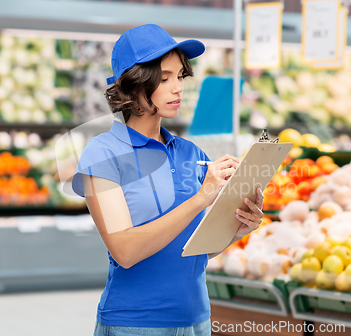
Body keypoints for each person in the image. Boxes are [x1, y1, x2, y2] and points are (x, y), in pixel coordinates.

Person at [71, 24, 264, 336]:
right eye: (164, 79)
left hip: (197, 321)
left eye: (180, 76)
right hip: (134, 324)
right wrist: (201, 198)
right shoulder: (102, 154)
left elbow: (193, 251)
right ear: (134, 85)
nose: (178, 88)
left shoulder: (191, 153)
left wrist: (238, 228)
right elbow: (125, 251)